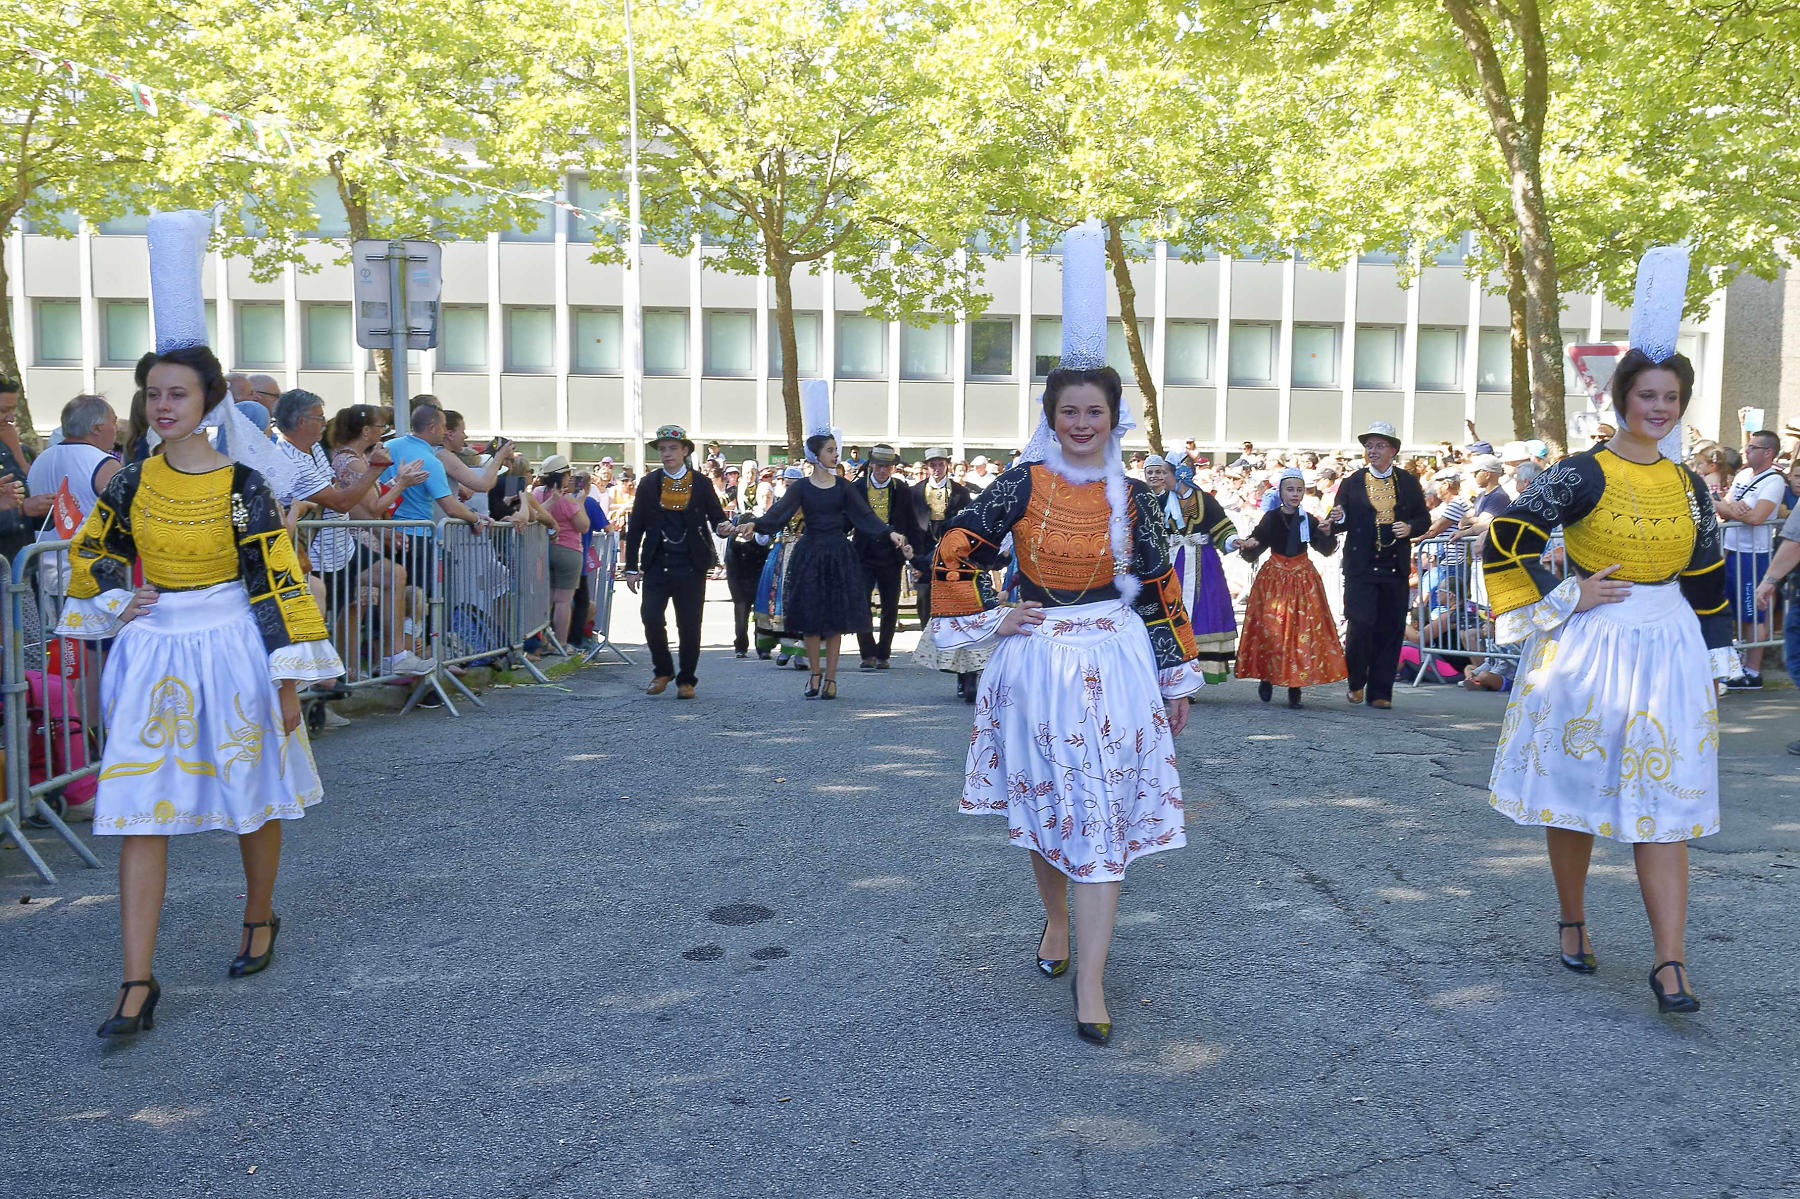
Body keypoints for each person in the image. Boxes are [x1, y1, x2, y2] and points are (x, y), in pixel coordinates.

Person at [57, 344, 343, 1038]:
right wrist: (122, 591)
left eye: (178, 394)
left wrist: (286, 681)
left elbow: (274, 576)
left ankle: (258, 913)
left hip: (233, 643)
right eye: (154, 392)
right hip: (154, 647)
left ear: (207, 403)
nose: (163, 405)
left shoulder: (243, 485)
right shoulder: (129, 483)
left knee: (252, 793)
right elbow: (89, 552)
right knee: (137, 807)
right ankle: (135, 980)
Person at [927, 349, 1201, 1046]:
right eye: (1069, 410)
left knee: (1102, 813)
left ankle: (1091, 982)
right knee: (1051, 802)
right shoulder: (1020, 484)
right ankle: (1057, 920)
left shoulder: (1137, 497)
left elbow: (1162, 587)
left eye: (1095, 411)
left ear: (1115, 420)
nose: (1082, 422)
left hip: (1118, 662)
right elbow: (954, 548)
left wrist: (1177, 678)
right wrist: (996, 610)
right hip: (1039, 668)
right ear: (1051, 417)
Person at [1482, 347, 1732, 1014]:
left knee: (1668, 799)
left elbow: (1708, 577)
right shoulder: (1578, 471)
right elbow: (1505, 536)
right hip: (1592, 643)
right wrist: (1568, 594)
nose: (1659, 407)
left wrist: (1716, 661)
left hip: (1671, 644)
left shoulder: (1690, 485)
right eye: (1648, 394)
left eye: (1671, 398)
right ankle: (1572, 916)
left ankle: (1670, 961)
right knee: (1577, 785)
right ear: (1622, 398)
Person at [720, 421, 910, 700]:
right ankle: (814, 675)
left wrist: (888, 532)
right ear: (816, 455)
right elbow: (779, 514)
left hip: (837, 555)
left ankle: (831, 679)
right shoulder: (802, 488)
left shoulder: (845, 487)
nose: (836, 455)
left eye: (836, 449)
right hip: (809, 555)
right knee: (810, 618)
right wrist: (752, 525)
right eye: (831, 450)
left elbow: (865, 517)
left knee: (833, 620)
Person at [1328, 420, 1429, 710]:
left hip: (1393, 565)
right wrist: (1336, 517)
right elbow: (1338, 519)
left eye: (1379, 445)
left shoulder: (1408, 482)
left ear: (1393, 451)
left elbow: (1423, 518)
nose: (1372, 451)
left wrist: (1409, 528)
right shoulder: (1352, 482)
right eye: (1369, 446)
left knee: (1390, 627)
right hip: (1360, 565)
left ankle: (1381, 691)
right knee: (1361, 624)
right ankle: (1356, 680)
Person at [624, 425, 727, 698]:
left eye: (672, 448)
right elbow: (635, 528)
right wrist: (631, 567)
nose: (666, 454)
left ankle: (686, 680)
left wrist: (726, 527)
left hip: (691, 564)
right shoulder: (649, 483)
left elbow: (717, 518)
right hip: (658, 562)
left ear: (685, 451)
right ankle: (663, 671)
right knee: (650, 616)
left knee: (690, 624)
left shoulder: (702, 483)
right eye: (662, 449)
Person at [1235, 469, 1347, 708]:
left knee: (1300, 632)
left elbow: (1323, 549)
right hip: (1274, 580)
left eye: (1299, 489)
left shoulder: (1309, 518)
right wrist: (1249, 545)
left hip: (1302, 579)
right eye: (1290, 489)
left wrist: (1327, 535)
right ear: (1281, 492)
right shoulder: (1271, 518)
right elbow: (1257, 543)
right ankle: (1266, 677)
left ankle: (1295, 686)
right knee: (1271, 631)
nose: (1295, 494)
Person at [1155, 452, 1242, 683]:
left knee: (1203, 612)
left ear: (1180, 475)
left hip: (1202, 565)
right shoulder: (1161, 502)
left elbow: (1223, 528)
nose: (1162, 477)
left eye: (1166, 472)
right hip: (1172, 565)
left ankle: (1196, 672)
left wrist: (1233, 540)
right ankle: (1173, 672)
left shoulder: (1206, 501)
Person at [1714, 429, 1785, 689]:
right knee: (1736, 610)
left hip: (1755, 556)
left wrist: (1733, 510)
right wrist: (1733, 509)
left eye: (1753, 447)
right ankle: (1740, 664)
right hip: (1733, 551)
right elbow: (1722, 506)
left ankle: (1753, 671)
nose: (1747, 450)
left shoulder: (1775, 481)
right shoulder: (1743, 474)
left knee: (1752, 613)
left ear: (1768, 452)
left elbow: (1757, 518)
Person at [850, 444, 918, 670]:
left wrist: (913, 552)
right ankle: (866, 653)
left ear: (893, 468)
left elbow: (911, 523)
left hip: (891, 556)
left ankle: (883, 653)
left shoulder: (902, 489)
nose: (882, 470)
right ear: (871, 465)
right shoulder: (858, 487)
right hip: (863, 554)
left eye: (887, 466)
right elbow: (847, 520)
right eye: (879, 465)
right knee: (861, 603)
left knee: (890, 605)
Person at [532, 455, 591, 651]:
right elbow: (583, 526)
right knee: (563, 600)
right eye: (568, 474)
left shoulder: (537, 493)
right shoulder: (567, 499)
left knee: (546, 598)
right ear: (563, 476)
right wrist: (581, 501)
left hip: (543, 550)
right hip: (568, 550)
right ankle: (562, 643)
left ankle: (542, 641)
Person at [752, 466, 810, 667]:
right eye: (787, 484)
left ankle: (802, 651)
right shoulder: (780, 505)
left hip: (804, 555)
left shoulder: (811, 505)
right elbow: (766, 532)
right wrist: (758, 530)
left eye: (795, 485)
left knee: (803, 601)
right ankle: (786, 648)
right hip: (781, 555)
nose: (791, 488)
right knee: (778, 604)